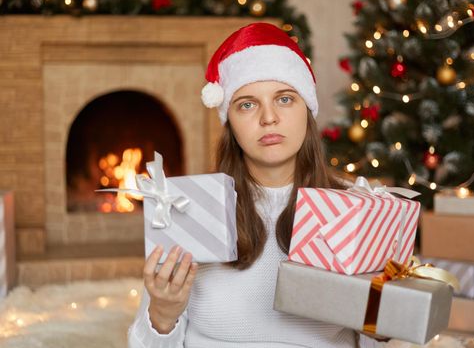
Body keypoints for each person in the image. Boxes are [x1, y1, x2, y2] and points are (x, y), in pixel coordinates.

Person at [128, 22, 386, 348]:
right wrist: (162, 315)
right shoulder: (187, 206)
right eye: (247, 104)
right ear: (229, 122)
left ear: (307, 111)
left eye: (285, 99)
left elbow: (376, 339)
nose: (268, 118)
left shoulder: (356, 208)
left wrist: (384, 316)